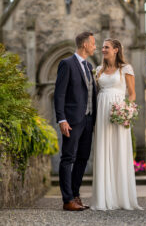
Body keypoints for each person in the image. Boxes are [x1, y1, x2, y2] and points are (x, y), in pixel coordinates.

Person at [91, 38, 142, 210]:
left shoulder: (125, 68)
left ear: (116, 50)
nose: (103, 49)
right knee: (103, 149)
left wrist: (125, 110)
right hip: (102, 111)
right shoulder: (98, 70)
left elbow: (133, 93)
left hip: (118, 112)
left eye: (106, 47)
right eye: (103, 47)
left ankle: (122, 198)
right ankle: (105, 197)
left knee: (118, 149)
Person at [54, 32, 97, 211]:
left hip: (88, 120)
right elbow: (60, 93)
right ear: (85, 45)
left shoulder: (88, 66)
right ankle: (67, 200)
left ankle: (75, 195)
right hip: (72, 120)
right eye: (93, 43)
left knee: (82, 158)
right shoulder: (67, 64)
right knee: (68, 158)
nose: (95, 46)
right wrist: (61, 118)